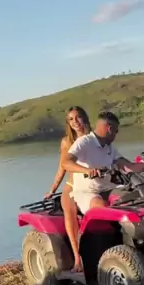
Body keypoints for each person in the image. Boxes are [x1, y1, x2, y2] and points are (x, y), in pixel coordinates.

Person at [61, 110, 139, 216]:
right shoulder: (84, 142)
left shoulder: (110, 147)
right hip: (86, 192)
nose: (115, 135)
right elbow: (65, 163)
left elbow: (128, 166)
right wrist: (87, 171)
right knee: (102, 207)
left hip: (108, 189)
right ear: (109, 129)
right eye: (115, 131)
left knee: (134, 197)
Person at [44, 106, 91, 272]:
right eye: (71, 119)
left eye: (78, 117)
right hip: (72, 186)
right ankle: (78, 259)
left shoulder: (94, 138)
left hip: (93, 184)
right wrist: (53, 188)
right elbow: (62, 167)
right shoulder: (67, 142)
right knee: (69, 212)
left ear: (85, 118)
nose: (75, 122)